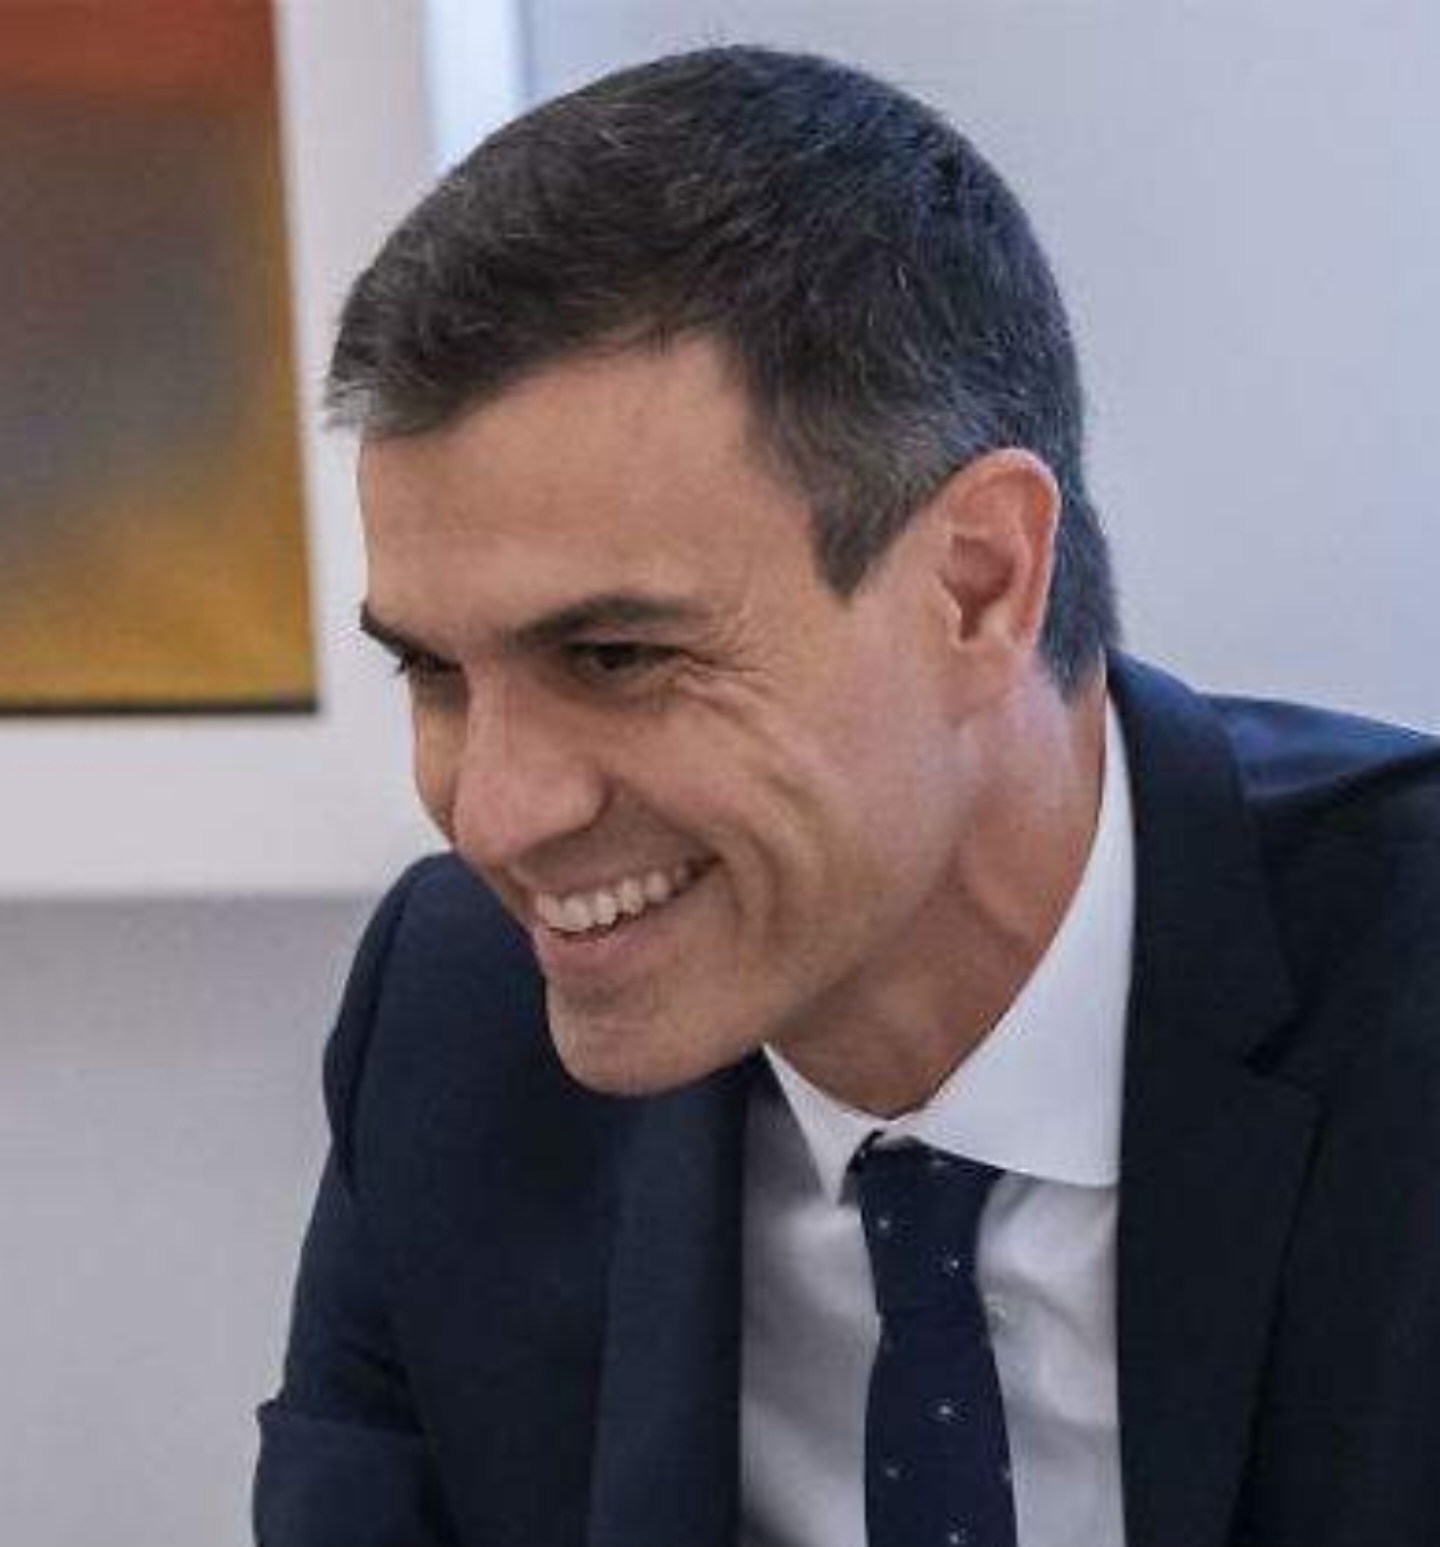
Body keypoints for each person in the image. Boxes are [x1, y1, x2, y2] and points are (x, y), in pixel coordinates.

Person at [253, 45, 1440, 1547]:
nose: (495, 813)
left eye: (617, 657)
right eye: (433, 671)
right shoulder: (454, 1028)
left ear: (979, 582)